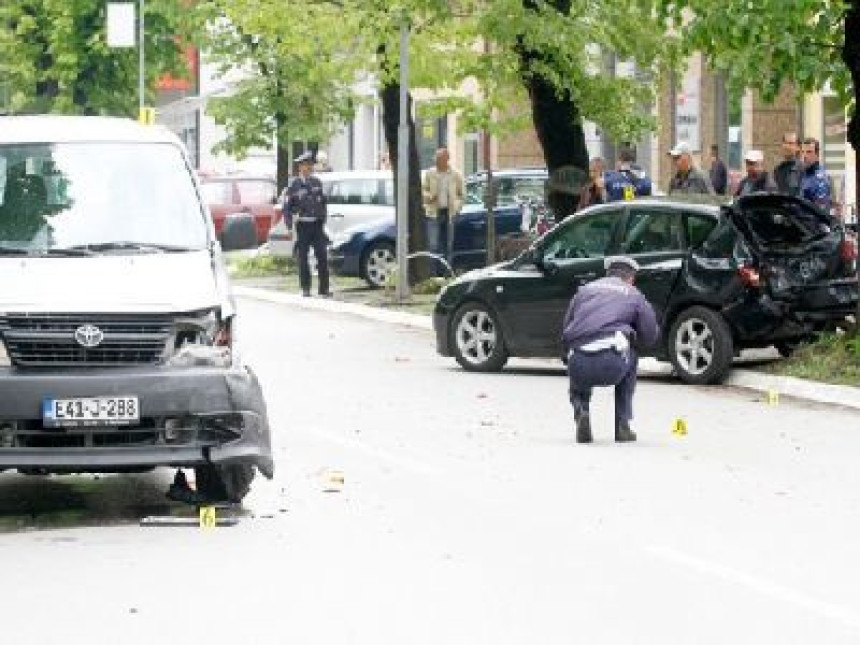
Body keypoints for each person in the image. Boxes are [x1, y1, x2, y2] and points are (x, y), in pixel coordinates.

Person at [561, 256, 658, 444]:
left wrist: (566, 358)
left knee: (577, 360)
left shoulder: (584, 291)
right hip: (611, 363)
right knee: (631, 356)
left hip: (579, 363)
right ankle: (622, 425)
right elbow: (650, 334)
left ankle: (581, 410)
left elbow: (566, 330)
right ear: (631, 278)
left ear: (608, 273)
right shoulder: (634, 294)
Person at [284, 151, 330, 297]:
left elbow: (323, 202)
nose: (308, 168)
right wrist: (289, 226)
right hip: (303, 226)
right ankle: (305, 288)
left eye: (310, 165)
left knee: (322, 256)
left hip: (316, 225)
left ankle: (324, 289)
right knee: (303, 258)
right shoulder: (294, 185)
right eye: (305, 165)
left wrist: (322, 220)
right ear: (300, 168)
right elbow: (287, 207)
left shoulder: (317, 182)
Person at [422, 147, 464, 261]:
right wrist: (429, 197)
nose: (436, 160)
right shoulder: (430, 173)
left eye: (439, 158)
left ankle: (446, 273)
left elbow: (462, 194)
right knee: (433, 245)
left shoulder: (456, 174)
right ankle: (433, 274)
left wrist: (457, 207)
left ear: (446, 159)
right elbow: (423, 190)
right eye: (436, 158)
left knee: (448, 245)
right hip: (433, 213)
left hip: (449, 213)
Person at [800, 137, 832, 212]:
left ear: (817, 155)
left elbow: (821, 212)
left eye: (809, 152)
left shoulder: (820, 180)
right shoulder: (802, 174)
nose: (804, 156)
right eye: (802, 152)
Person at [773, 131, 802, 196]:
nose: (787, 146)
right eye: (785, 143)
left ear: (798, 147)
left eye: (790, 143)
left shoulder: (803, 169)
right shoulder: (778, 170)